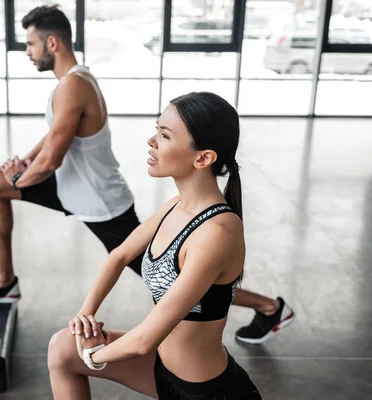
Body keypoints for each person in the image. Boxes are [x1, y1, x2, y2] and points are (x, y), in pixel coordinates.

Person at [0, 5, 294, 345]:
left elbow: (50, 162)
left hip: (99, 200)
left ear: (53, 44)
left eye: (30, 45)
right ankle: (4, 282)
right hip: (72, 188)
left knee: (168, 281)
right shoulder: (77, 78)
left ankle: (268, 307)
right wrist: (21, 162)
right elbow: (56, 132)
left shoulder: (71, 87)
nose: (28, 53)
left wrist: (20, 177)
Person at [48, 92, 262, 399]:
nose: (151, 141)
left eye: (164, 135)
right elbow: (119, 255)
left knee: (76, 353)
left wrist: (92, 356)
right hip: (162, 371)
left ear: (203, 158)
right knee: (63, 347)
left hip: (205, 392)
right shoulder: (176, 205)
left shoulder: (217, 232)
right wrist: (84, 318)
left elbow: (143, 341)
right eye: (156, 129)